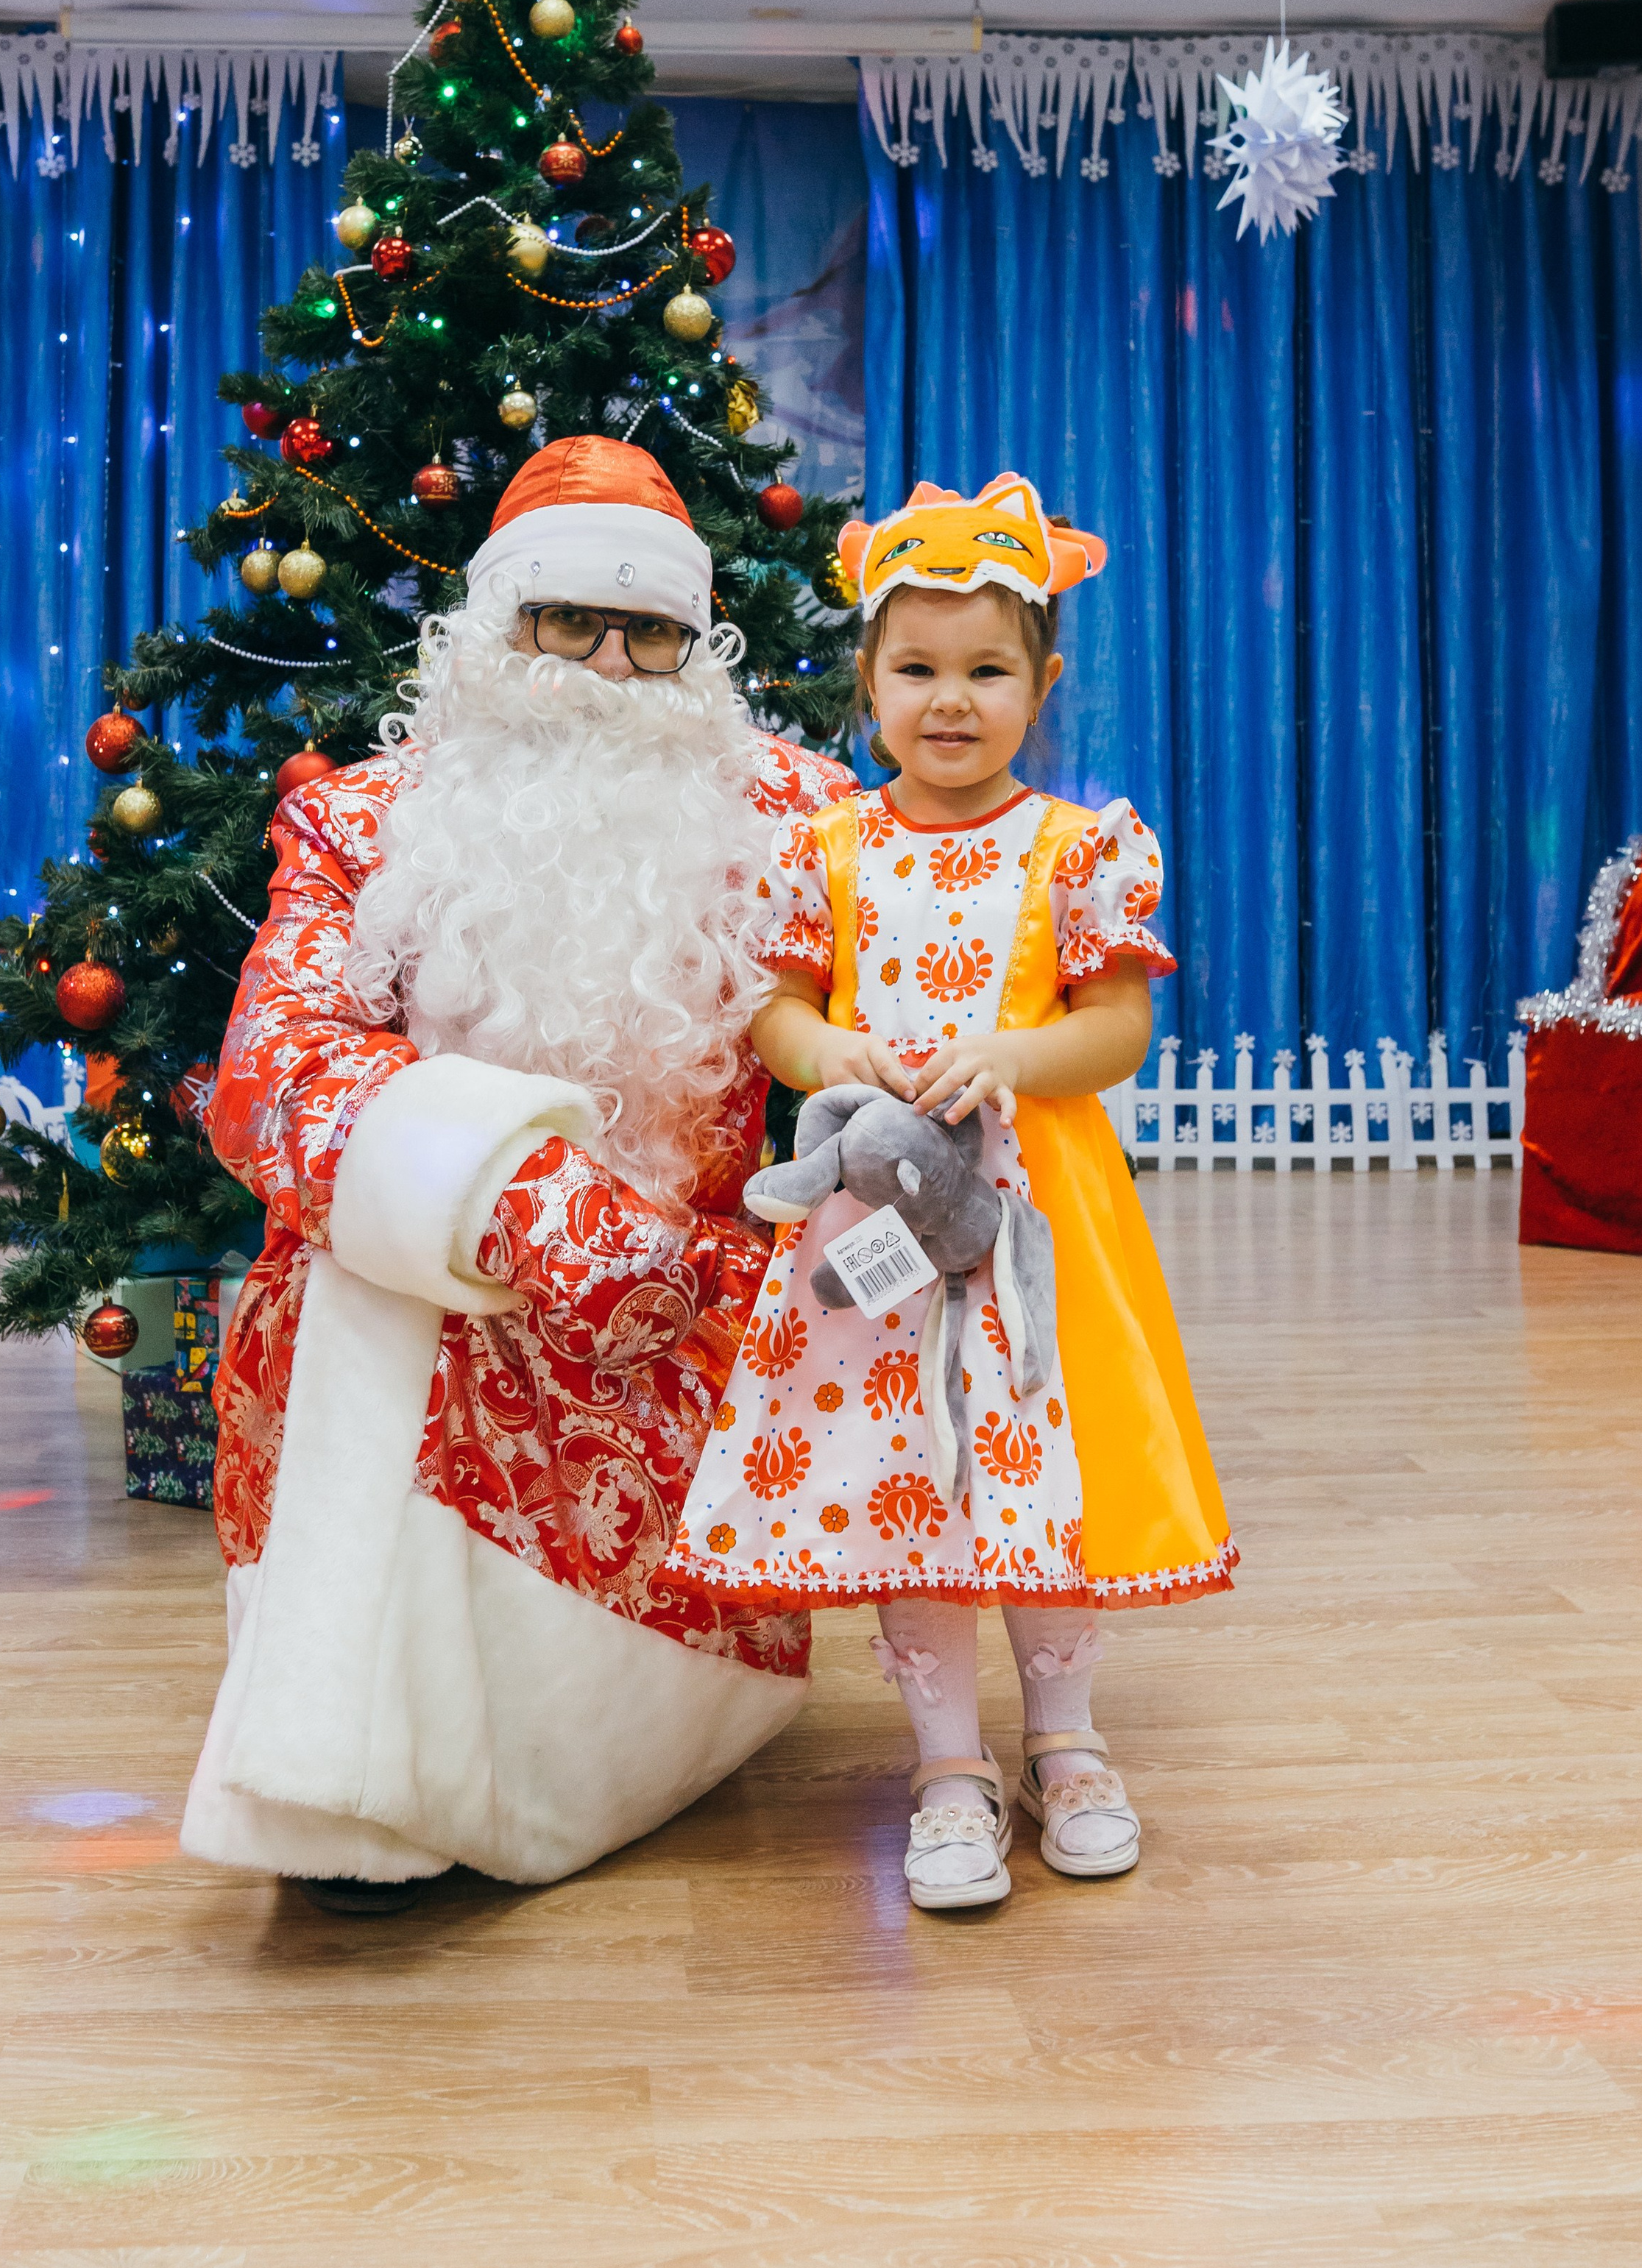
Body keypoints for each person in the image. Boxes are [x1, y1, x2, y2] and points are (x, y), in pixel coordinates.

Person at [180, 437, 853, 1909]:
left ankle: (531, 1753)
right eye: (566, 621)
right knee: (355, 1276)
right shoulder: (363, 823)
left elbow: (921, 1017)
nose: (607, 666)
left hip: (675, 1331)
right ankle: (352, 1773)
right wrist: (520, 1202)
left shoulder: (802, 821)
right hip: (450, 1290)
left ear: (697, 646)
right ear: (496, 632)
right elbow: (267, 1075)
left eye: (651, 629)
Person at [660, 472, 1232, 1911]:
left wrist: (1016, 1050)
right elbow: (777, 1013)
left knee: (1032, 1474)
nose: (950, 701)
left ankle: (1066, 1740)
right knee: (915, 1481)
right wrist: (822, 1046)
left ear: (1041, 683)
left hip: (1033, 1221)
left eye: (986, 670)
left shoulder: (1076, 849)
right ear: (865, 682)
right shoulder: (828, 848)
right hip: (876, 1229)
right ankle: (943, 1767)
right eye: (915, 669)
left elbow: (1116, 1030)